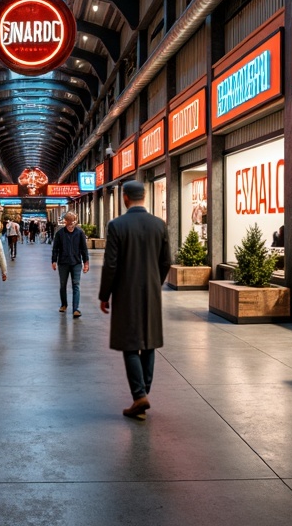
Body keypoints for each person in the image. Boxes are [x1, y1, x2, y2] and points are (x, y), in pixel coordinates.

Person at [99, 180, 170, 420]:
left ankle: (139, 395)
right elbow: (166, 261)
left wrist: (104, 295)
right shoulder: (159, 225)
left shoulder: (117, 225)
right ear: (145, 196)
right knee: (148, 343)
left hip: (125, 292)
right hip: (151, 292)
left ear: (125, 198)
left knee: (130, 344)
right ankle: (142, 395)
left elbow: (111, 264)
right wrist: (155, 283)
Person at [51, 211, 90, 316]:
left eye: (73, 221)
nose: (71, 223)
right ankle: (64, 304)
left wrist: (86, 262)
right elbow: (55, 249)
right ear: (66, 222)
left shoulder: (80, 233)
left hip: (76, 262)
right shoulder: (60, 234)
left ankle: (75, 309)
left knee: (76, 285)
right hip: (63, 263)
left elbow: (84, 249)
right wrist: (54, 260)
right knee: (63, 284)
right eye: (69, 221)